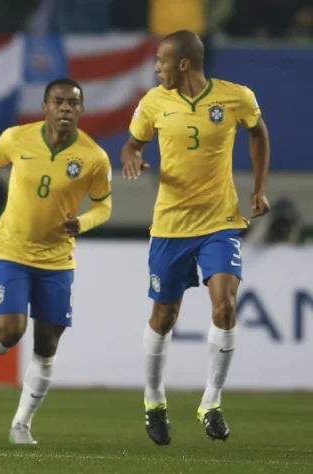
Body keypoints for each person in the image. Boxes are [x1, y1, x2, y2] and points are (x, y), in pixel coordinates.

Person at [121, 30, 270, 445]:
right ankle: (154, 400)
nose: (155, 68)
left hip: (220, 222)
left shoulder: (236, 97)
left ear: (183, 63)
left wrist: (259, 187)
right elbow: (132, 145)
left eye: (160, 62)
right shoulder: (153, 103)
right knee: (164, 317)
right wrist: (133, 156)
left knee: (224, 307)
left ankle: (212, 401)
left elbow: (258, 132)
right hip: (170, 226)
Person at [0, 78, 112, 445]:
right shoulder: (16, 139)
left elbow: (105, 206)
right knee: (9, 334)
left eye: (73, 102)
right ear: (45, 107)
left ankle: (21, 424)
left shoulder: (93, 157)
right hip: (12, 250)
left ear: (82, 110)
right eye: (58, 101)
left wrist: (83, 223)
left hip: (57, 260)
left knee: (47, 344)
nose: (66, 108)